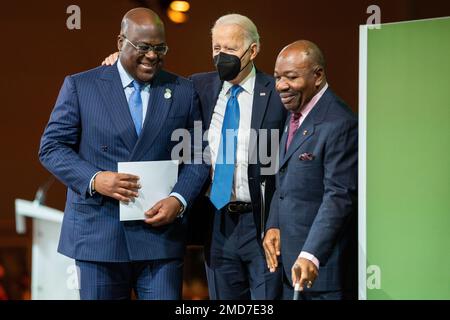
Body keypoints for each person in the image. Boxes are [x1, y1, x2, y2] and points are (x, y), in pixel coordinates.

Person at [102, 13, 286, 300]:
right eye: (216, 48)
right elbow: (151, 75)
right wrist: (120, 59)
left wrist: (277, 221)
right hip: (216, 221)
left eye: (230, 49)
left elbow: (285, 168)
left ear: (253, 50)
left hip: (261, 223)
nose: (221, 56)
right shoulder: (198, 87)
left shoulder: (276, 92)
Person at [39, 8, 209, 300]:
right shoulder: (81, 86)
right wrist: (95, 179)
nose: (152, 56)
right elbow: (51, 148)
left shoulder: (182, 90)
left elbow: (199, 156)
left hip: (160, 237)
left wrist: (179, 200)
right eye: (143, 47)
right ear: (120, 42)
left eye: (160, 48)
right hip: (99, 236)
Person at [263, 40, 358, 300]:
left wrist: (311, 253)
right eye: (278, 77)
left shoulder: (340, 122)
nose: (281, 86)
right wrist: (274, 225)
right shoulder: (294, 114)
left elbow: (339, 196)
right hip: (289, 270)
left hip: (321, 271)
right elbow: (284, 179)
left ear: (317, 76)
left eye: (291, 77)